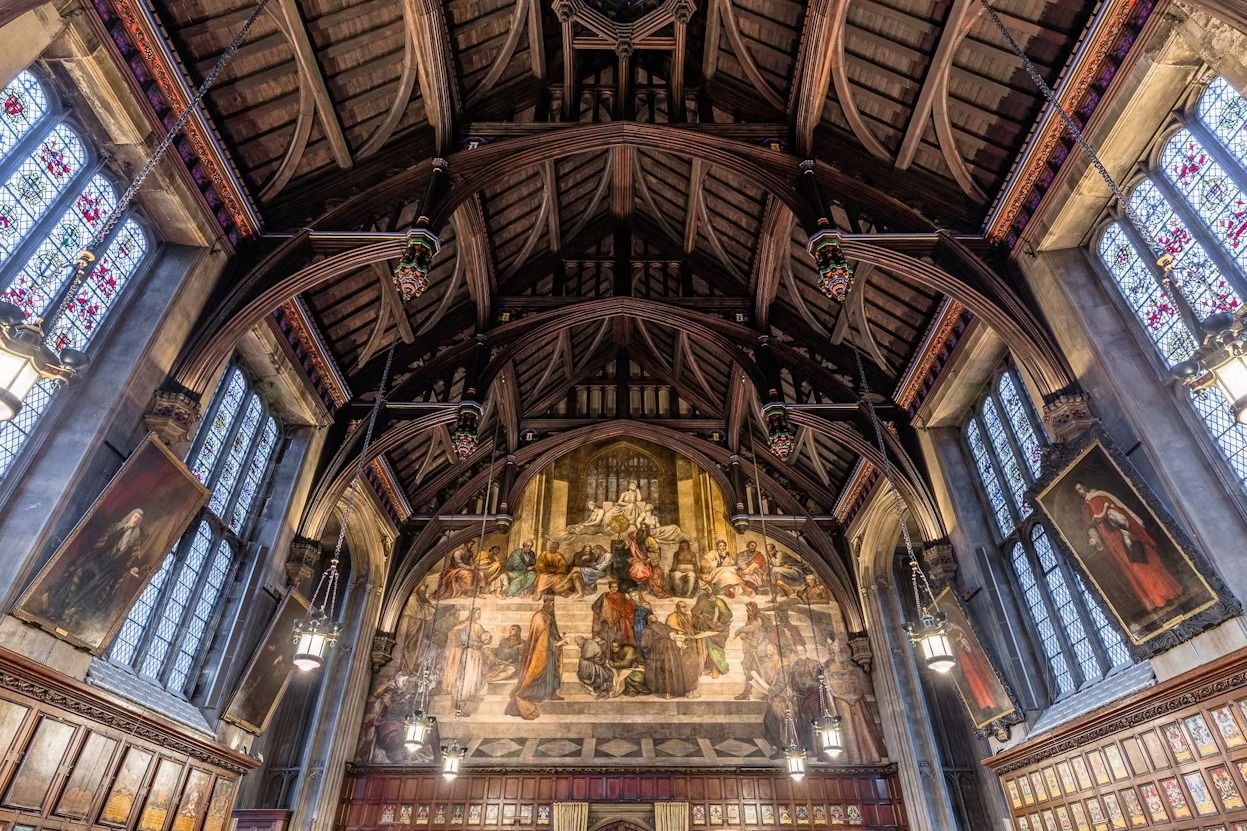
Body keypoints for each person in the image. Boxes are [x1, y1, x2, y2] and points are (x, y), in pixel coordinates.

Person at [1075, 482, 1184, 615]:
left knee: (1146, 564)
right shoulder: (1085, 509)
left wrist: (1124, 530)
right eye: (1077, 490)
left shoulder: (1101, 496)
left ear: (1085, 486)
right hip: (1112, 542)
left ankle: (1167, 592)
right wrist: (1094, 539)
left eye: (1081, 487)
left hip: (1122, 535)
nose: (1080, 491)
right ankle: (1156, 600)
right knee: (1134, 571)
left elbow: (1119, 511)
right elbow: (1090, 527)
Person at [506, 595, 566, 720]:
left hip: (550, 651)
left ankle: (551, 693)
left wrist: (560, 640)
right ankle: (539, 694)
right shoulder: (539, 617)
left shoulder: (550, 617)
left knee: (553, 671)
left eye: (553, 604)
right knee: (542, 672)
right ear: (546, 603)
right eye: (550, 603)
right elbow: (540, 638)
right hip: (540, 651)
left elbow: (553, 633)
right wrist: (555, 643)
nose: (551, 606)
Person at [824, 639, 885, 762]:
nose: (838, 654)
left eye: (840, 651)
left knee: (862, 727)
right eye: (834, 651)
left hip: (855, 699)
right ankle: (853, 757)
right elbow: (830, 683)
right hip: (841, 699)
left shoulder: (850, 667)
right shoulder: (828, 668)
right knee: (847, 727)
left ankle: (869, 755)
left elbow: (857, 682)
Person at [443, 608, 490, 714]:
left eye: (480, 613)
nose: (479, 615)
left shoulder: (477, 626)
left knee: (472, 678)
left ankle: (462, 703)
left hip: (476, 655)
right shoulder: (469, 625)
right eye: (478, 613)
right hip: (470, 654)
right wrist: (472, 643)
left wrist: (486, 640)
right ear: (473, 613)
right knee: (468, 677)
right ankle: (460, 704)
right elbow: (456, 636)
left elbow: (485, 639)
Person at [640, 616, 690, 698]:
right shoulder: (666, 627)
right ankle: (672, 692)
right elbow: (673, 635)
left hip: (659, 650)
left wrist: (646, 653)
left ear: (649, 621)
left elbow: (645, 645)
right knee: (672, 668)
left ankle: (665, 693)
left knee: (662, 670)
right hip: (671, 648)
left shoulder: (647, 629)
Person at [692, 583, 733, 677]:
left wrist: (717, 603)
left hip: (718, 629)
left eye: (709, 589)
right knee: (702, 642)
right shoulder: (702, 598)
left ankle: (716, 668)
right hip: (702, 626)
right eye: (706, 589)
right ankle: (707, 667)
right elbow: (695, 611)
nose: (707, 591)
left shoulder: (719, 601)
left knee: (714, 646)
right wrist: (699, 616)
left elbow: (728, 615)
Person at [665, 601, 702, 694]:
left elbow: (693, 629)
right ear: (678, 608)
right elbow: (670, 630)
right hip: (681, 646)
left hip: (691, 644)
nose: (686, 609)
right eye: (683, 607)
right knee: (685, 667)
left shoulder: (688, 617)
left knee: (693, 665)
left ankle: (692, 689)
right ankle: (686, 690)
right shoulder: (672, 617)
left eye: (686, 607)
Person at [733, 601, 768, 700]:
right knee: (748, 671)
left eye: (749, 609)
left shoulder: (759, 618)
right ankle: (746, 693)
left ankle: (767, 692)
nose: (748, 611)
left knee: (762, 672)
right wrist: (742, 634)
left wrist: (740, 630)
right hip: (750, 650)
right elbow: (748, 630)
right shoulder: (750, 619)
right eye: (747, 609)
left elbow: (752, 628)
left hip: (760, 650)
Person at [592, 580, 636, 656]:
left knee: (616, 641)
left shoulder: (622, 596)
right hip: (605, 623)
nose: (614, 588)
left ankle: (615, 659)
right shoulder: (604, 596)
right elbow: (595, 606)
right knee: (605, 640)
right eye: (612, 587)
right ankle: (606, 658)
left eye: (616, 587)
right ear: (609, 588)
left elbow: (629, 607)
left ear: (618, 588)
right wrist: (602, 614)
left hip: (617, 623)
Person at [627, 526, 668, 597]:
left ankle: (659, 592)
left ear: (647, 532)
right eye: (641, 531)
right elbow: (630, 548)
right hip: (637, 559)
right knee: (638, 569)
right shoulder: (633, 538)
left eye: (644, 531)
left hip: (649, 560)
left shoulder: (650, 540)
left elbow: (656, 551)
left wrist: (649, 559)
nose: (642, 533)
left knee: (656, 574)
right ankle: (638, 589)